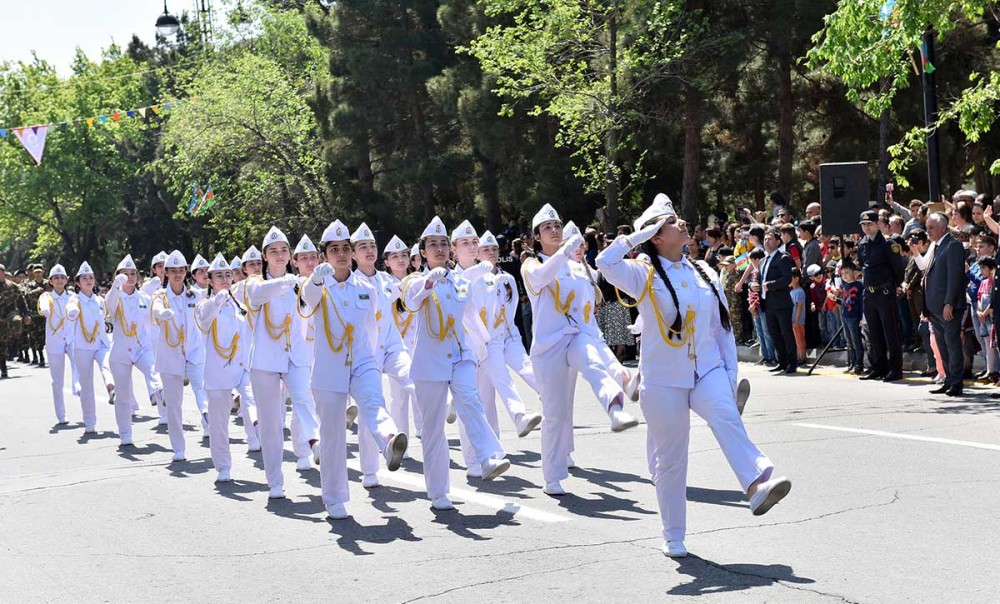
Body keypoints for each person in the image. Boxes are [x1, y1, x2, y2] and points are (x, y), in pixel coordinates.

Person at [596, 193, 791, 558]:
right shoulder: (642, 273)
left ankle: (757, 483)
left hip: (707, 369)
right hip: (664, 378)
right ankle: (673, 534)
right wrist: (639, 236)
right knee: (671, 458)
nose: (681, 222)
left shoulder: (704, 270)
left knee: (724, 414)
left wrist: (731, 376)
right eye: (670, 222)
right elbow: (605, 263)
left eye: (675, 217)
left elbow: (722, 329)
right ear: (655, 235)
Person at [521, 204, 638, 496]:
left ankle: (615, 408)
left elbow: (588, 307)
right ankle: (552, 476)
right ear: (537, 237)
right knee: (555, 414)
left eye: (557, 225)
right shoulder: (530, 265)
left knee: (592, 364)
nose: (555, 230)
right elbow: (540, 279)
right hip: (548, 347)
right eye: (547, 227)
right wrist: (563, 254)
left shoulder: (576, 267)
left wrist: (580, 263)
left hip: (575, 336)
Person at [402, 216, 511, 510]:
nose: (438, 249)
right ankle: (438, 492)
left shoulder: (459, 281)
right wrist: (427, 284)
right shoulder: (413, 281)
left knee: (470, 399)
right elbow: (411, 304)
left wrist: (484, 344)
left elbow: (470, 314)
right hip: (429, 362)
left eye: (442, 244)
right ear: (422, 252)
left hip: (460, 355)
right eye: (432, 245)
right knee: (434, 429)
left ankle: (487, 456)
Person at [245, 227, 321, 499]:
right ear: (264, 256)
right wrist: (287, 282)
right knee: (271, 423)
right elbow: (258, 295)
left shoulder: (299, 282)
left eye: (284, 251)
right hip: (264, 360)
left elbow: (312, 301)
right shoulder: (254, 282)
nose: (279, 255)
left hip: (295, 354)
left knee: (304, 399)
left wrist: (317, 280)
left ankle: (315, 443)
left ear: (290, 255)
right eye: (273, 251)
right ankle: (274, 480)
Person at [351, 222, 418, 486]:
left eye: (371, 246)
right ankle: (369, 471)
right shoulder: (350, 283)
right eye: (362, 247)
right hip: (365, 352)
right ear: (353, 254)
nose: (369, 251)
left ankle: (445, 402)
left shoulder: (389, 281)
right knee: (373, 405)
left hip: (391, 346)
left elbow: (403, 308)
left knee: (414, 375)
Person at [195, 254, 253, 483]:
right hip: (218, 372)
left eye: (228, 275)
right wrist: (217, 300)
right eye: (218, 276)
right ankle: (223, 466)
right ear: (209, 280)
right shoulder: (204, 305)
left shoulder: (240, 305)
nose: (225, 279)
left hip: (242, 368)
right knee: (219, 423)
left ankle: (256, 435)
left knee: (253, 402)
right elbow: (205, 315)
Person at [151, 251, 208, 462]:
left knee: (203, 388)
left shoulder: (195, 294)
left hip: (194, 351)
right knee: (174, 404)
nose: (177, 275)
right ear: (165, 272)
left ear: (186, 272)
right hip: (170, 354)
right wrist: (161, 313)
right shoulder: (160, 296)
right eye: (173, 271)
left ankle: (207, 415)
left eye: (181, 270)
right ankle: (178, 448)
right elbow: (156, 308)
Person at [104, 255, 162, 446]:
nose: (129, 277)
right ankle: (125, 434)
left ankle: (158, 392)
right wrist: (115, 286)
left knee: (153, 368)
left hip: (141, 346)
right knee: (123, 395)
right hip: (121, 351)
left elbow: (155, 314)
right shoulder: (115, 297)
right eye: (125, 274)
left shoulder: (145, 297)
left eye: (133, 274)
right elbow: (110, 306)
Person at [923, 213, 970, 396]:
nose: (928, 231)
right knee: (943, 346)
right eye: (927, 228)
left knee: (952, 344)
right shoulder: (935, 247)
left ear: (943, 227)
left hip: (947, 307)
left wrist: (949, 302)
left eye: (931, 228)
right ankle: (949, 379)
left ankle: (957, 383)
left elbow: (954, 277)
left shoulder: (953, 246)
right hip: (934, 308)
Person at [66, 262, 115, 433]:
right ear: (77, 283)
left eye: (91, 277)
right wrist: (72, 313)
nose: (88, 280)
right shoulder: (74, 299)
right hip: (82, 346)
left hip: (100, 343)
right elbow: (70, 309)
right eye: (84, 278)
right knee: (86, 386)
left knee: (107, 366)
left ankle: (111, 388)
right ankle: (90, 422)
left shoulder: (99, 300)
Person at [857, 210, 906, 382]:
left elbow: (898, 269)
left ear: (878, 224)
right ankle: (878, 366)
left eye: (869, 224)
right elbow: (864, 266)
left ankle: (895, 369)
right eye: (863, 225)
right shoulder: (862, 244)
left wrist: (893, 285)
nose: (866, 227)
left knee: (890, 332)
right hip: (869, 293)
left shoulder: (888, 243)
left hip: (884, 292)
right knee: (874, 333)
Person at [39, 264, 78, 425]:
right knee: (57, 380)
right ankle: (61, 414)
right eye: (56, 278)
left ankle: (77, 386)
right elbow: (43, 307)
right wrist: (45, 310)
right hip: (54, 341)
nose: (59, 280)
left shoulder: (72, 296)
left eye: (62, 277)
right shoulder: (46, 296)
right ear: (50, 281)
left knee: (79, 366)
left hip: (71, 338)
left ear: (67, 279)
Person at [757, 228, 798, 374]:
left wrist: (770, 285)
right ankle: (782, 361)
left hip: (781, 302)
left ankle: (792, 363)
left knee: (786, 333)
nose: (766, 242)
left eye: (770, 239)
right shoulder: (763, 261)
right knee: (774, 333)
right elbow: (759, 279)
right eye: (765, 239)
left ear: (777, 242)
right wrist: (753, 285)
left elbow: (787, 278)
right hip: (768, 303)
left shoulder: (783, 258)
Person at [0, 264, 29, 379]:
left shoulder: (12, 286)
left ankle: (14, 342)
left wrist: (26, 314)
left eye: (1, 271)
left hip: (9, 314)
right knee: (1, 345)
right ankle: (3, 368)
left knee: (17, 322)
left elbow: (21, 301)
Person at [839, 260, 866, 374]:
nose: (844, 275)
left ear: (854, 272)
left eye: (847, 272)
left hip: (855, 316)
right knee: (849, 341)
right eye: (842, 273)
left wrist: (861, 318)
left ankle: (859, 364)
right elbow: (845, 302)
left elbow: (860, 302)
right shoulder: (845, 286)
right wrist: (836, 300)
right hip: (845, 315)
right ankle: (852, 362)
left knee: (856, 341)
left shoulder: (859, 285)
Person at [790, 268, 807, 365]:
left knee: (800, 340)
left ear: (796, 279)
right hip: (792, 320)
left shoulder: (799, 291)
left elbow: (799, 306)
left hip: (798, 321)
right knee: (796, 340)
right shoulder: (791, 292)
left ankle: (802, 358)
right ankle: (798, 358)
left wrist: (796, 321)